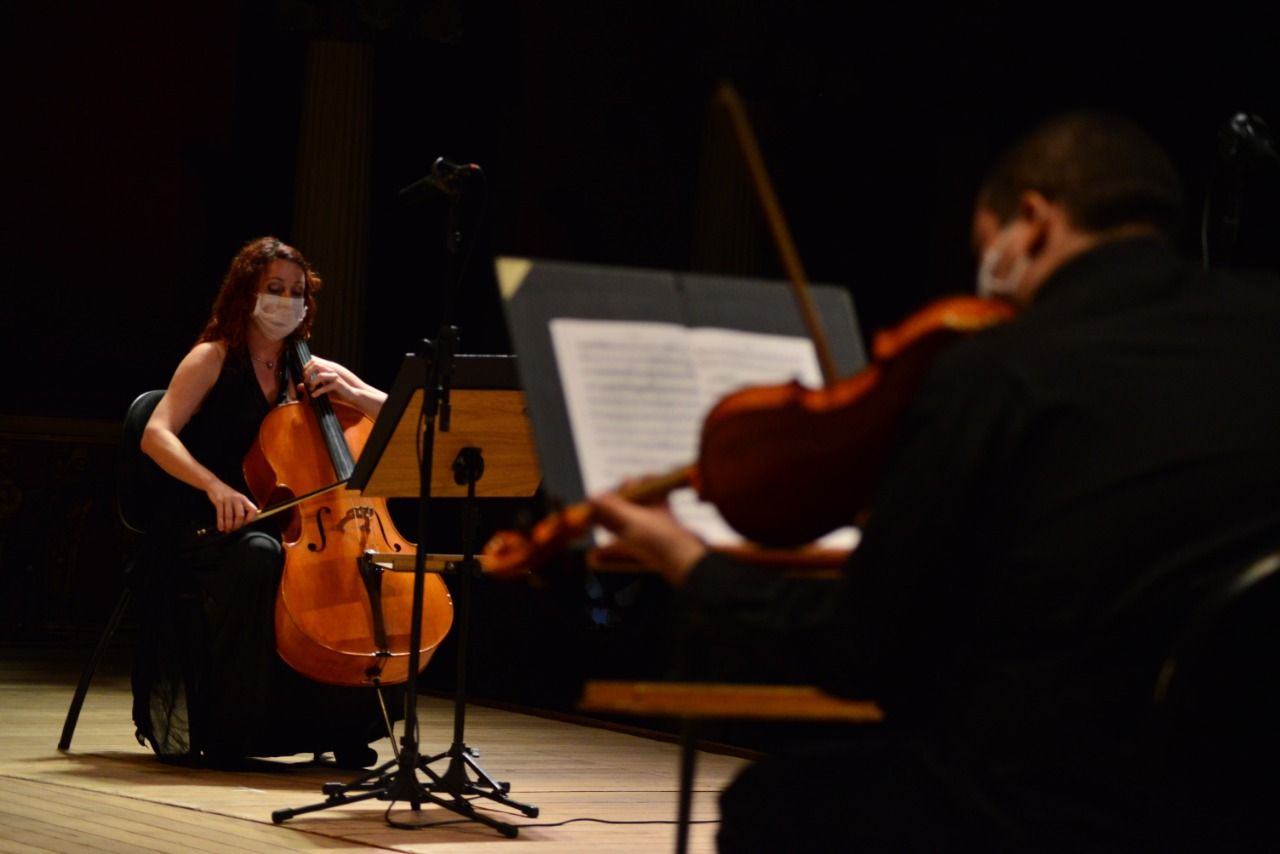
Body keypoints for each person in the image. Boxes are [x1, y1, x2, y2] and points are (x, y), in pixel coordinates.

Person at [590, 113, 1280, 848]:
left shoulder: (1001, 372)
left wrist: (692, 563)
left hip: (1062, 810)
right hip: (1250, 803)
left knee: (772, 804)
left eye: (986, 248)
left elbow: (858, 651)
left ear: (1033, 222)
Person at [134, 236, 392, 767]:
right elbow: (156, 434)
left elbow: (399, 417)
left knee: (346, 571)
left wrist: (355, 394)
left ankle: (340, 723)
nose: (286, 301)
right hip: (208, 523)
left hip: (284, 523)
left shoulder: (312, 369)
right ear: (246, 293)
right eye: (274, 288)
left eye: (296, 292)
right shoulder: (213, 357)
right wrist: (215, 485)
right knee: (261, 558)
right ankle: (235, 729)